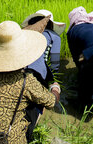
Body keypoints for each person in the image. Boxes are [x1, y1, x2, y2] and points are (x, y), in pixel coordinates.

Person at [0, 21, 60, 144]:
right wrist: (55, 89)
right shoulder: (25, 80)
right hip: (5, 140)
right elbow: (50, 102)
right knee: (35, 104)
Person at [21, 10, 66, 141]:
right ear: (50, 24)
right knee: (35, 105)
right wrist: (54, 82)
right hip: (37, 73)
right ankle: (29, 135)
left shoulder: (25, 33)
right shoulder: (53, 37)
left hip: (17, 69)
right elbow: (55, 63)